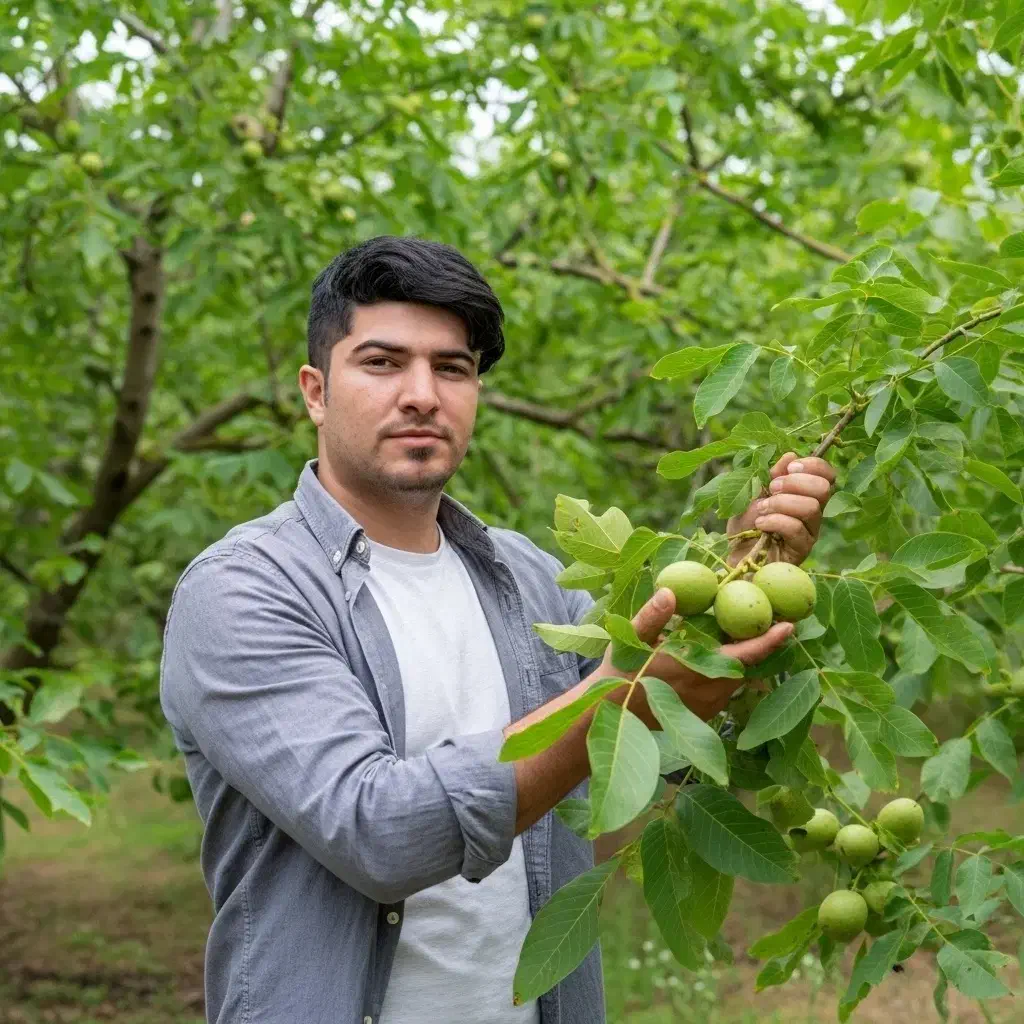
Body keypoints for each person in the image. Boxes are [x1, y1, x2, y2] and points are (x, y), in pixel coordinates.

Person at [159, 235, 836, 1024]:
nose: (422, 395)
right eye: (381, 363)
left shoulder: (532, 579)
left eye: (453, 368)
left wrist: (747, 582)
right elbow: (377, 832)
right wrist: (625, 691)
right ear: (316, 391)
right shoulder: (242, 590)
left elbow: (670, 761)